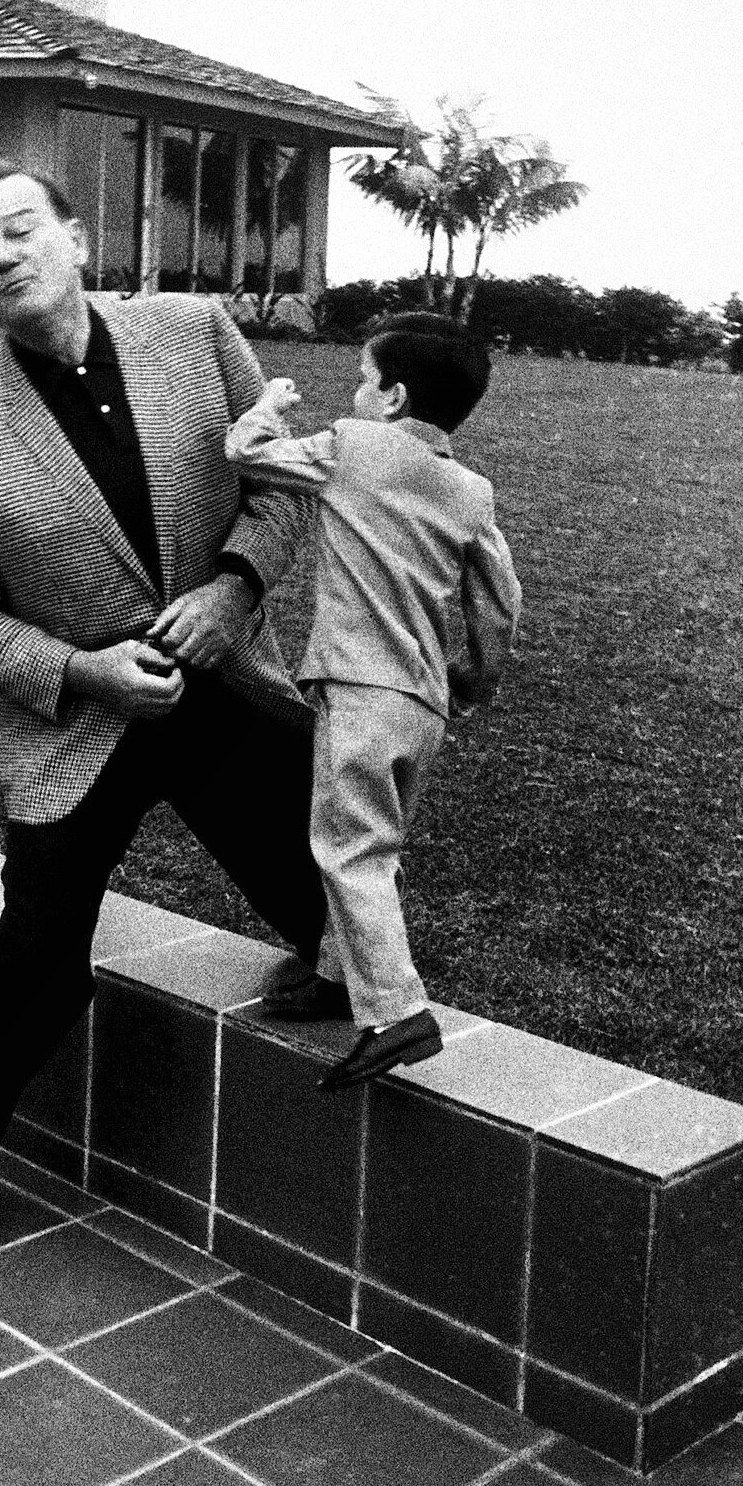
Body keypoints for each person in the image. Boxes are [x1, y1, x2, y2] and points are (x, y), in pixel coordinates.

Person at [0, 160, 330, 1259]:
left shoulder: (194, 331)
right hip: (79, 728)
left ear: (76, 237)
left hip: (221, 686)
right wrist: (85, 672)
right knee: (28, 957)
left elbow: (281, 485)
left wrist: (230, 592)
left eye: (22, 228)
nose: (3, 253)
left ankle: (341, 987)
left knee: (332, 891)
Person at [224, 313, 522, 1090]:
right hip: (421, 706)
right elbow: (498, 605)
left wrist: (267, 403)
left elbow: (244, 453)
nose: (352, 392)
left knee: (347, 847)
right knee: (372, 846)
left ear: (390, 396)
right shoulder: (469, 490)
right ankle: (333, 975)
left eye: (361, 378)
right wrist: (472, 681)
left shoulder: (352, 448)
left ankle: (395, 1015)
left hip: (359, 688)